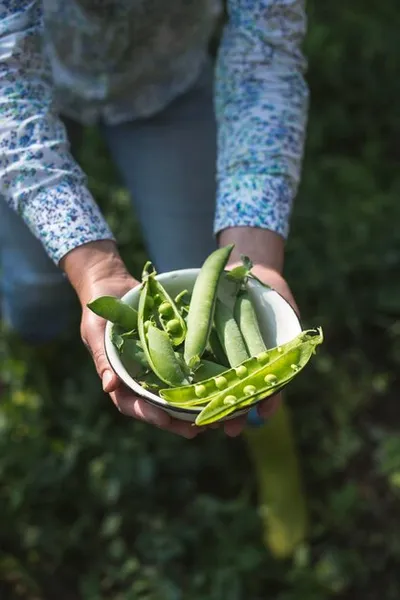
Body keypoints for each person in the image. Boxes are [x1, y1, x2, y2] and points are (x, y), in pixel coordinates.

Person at [0, 1, 308, 439]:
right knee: (33, 287)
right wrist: (94, 268)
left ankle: (238, 404)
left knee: (208, 276)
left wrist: (256, 252)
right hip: (33, 80)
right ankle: (39, 350)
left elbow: (267, 57)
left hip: (166, 84)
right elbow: (8, 90)